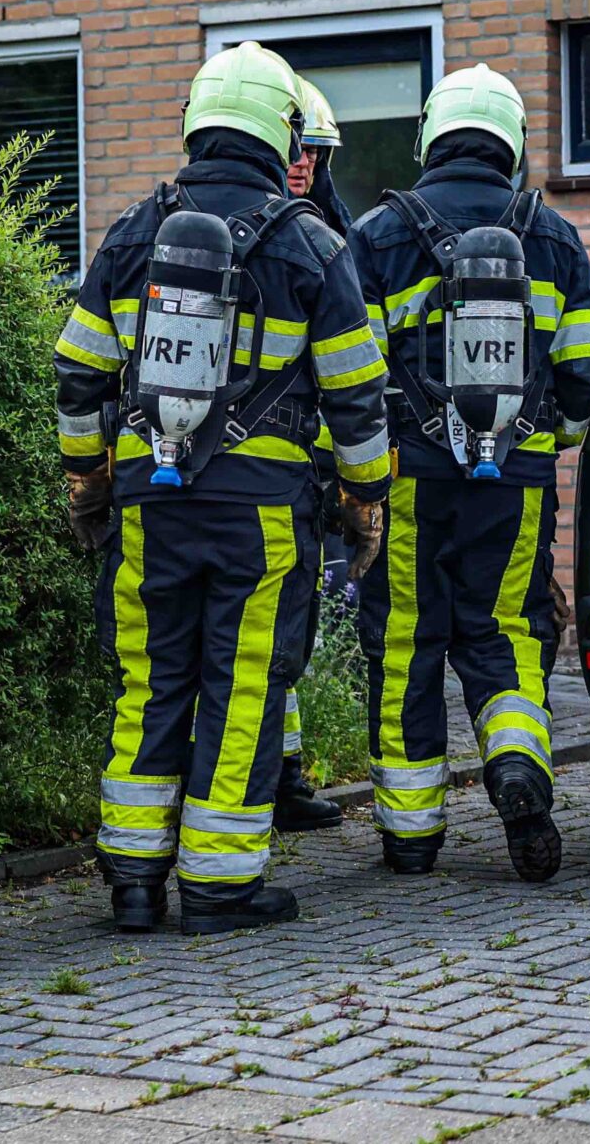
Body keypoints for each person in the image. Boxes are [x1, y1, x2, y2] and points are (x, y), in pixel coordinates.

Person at [54, 43, 390, 935]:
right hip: (263, 512)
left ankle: (132, 879)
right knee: (242, 683)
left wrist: (89, 478)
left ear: (198, 124)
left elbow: (79, 371)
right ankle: (218, 884)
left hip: (147, 503)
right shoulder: (313, 242)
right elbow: (356, 391)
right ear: (278, 136)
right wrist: (366, 497)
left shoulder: (132, 232)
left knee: (150, 680)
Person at [351, 64, 590, 883]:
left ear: (432, 136)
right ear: (514, 144)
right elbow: (589, 375)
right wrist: (540, 440)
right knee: (506, 633)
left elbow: (352, 371)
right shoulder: (555, 237)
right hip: (518, 484)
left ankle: (412, 833)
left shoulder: (380, 234)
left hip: (409, 481)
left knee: (406, 642)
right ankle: (516, 764)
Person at [269, 74, 358, 834]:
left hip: (321, 471)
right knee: (269, 628)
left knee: (295, 629)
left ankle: (283, 773)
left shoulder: (337, 241)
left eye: (315, 154)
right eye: (295, 150)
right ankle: (268, 775)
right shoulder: (263, 240)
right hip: (274, 467)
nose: (302, 163)